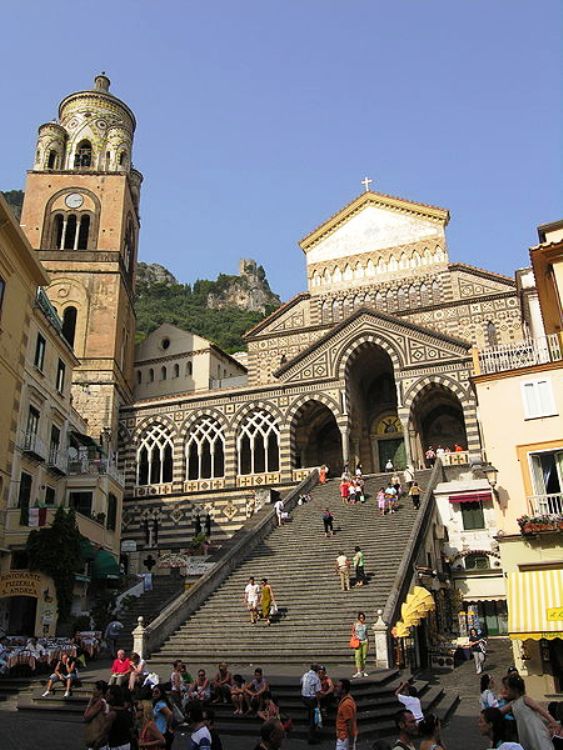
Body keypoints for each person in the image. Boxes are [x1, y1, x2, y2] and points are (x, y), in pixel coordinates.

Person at [501, 673, 560, 750]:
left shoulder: (525, 699)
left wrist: (554, 722)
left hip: (535, 731)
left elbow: (541, 710)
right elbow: (500, 712)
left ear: (515, 689)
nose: (505, 691)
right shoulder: (513, 704)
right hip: (525, 733)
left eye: (507, 688)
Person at [106, 685, 134, 750]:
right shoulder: (125, 711)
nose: (106, 696)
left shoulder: (113, 713)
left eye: (108, 694)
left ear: (113, 696)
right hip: (125, 743)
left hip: (116, 745)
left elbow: (105, 731)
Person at [84, 680, 109, 750]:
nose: (93, 691)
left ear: (100, 691)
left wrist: (90, 703)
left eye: (94, 689)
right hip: (102, 737)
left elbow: (86, 716)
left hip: (97, 737)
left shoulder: (100, 703)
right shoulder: (105, 701)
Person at [300, 663, 322, 745]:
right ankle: (311, 737)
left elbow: (301, 682)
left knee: (311, 713)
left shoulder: (305, 675)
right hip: (311, 699)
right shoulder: (316, 678)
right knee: (314, 718)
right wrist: (318, 702)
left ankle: (309, 718)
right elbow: (318, 692)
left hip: (303, 697)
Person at [335, 678, 358, 750]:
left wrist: (350, 744)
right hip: (344, 737)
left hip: (344, 738)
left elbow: (350, 724)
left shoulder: (346, 705)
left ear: (344, 690)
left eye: (338, 687)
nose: (336, 688)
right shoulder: (346, 700)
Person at [152, 685, 174, 750]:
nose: (154, 694)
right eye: (153, 692)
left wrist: (168, 727)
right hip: (160, 732)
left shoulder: (160, 704)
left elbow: (170, 714)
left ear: (161, 693)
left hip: (162, 733)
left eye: (156, 692)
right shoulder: (158, 703)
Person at [351, 611, 369, 678]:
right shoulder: (355, 624)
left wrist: (368, 642)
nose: (362, 619)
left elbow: (366, 634)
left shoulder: (365, 625)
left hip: (364, 641)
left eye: (363, 618)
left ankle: (362, 671)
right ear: (358, 618)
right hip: (358, 642)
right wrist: (354, 637)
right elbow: (352, 632)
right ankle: (358, 671)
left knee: (364, 657)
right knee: (357, 656)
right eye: (360, 617)